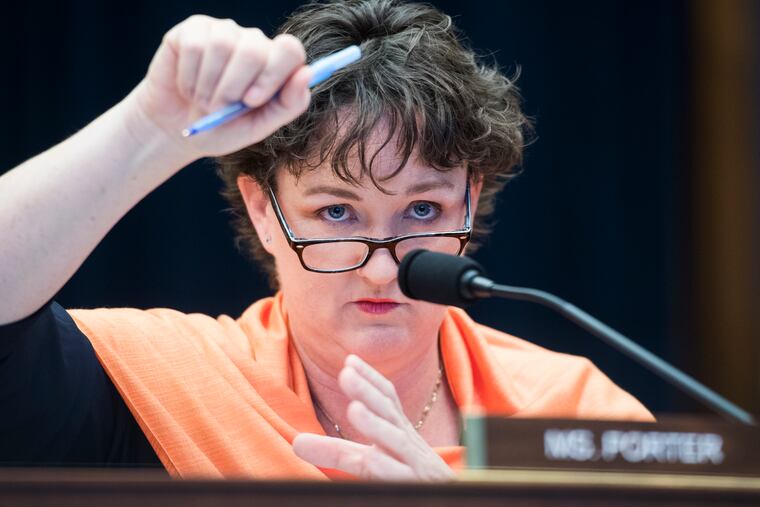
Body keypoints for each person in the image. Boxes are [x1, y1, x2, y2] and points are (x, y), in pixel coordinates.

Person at [0, 0, 653, 480]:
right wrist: (150, 128)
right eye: (338, 212)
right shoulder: (171, 387)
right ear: (263, 209)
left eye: (422, 208)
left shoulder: (577, 420)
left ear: (470, 200)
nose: (381, 270)